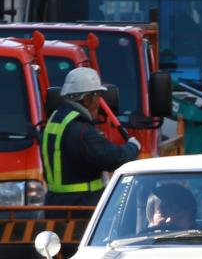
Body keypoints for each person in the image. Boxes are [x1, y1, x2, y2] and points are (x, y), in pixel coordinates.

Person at [42, 67, 140, 209]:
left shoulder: (56, 119)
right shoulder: (82, 130)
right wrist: (133, 147)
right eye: (98, 96)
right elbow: (113, 159)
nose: (99, 102)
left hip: (55, 205)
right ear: (87, 99)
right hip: (81, 206)